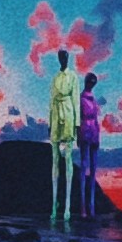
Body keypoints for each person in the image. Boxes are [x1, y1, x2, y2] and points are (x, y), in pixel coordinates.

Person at [46, 47, 80, 226]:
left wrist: (77, 125)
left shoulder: (73, 76)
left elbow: (76, 100)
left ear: (68, 58)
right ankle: (54, 205)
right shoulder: (55, 78)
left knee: (67, 158)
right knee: (54, 159)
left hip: (68, 114)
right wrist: (49, 122)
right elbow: (51, 100)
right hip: (56, 114)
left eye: (65, 57)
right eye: (60, 57)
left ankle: (66, 206)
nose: (63, 59)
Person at [77, 69, 103, 220]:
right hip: (85, 129)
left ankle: (91, 206)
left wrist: (98, 134)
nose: (91, 85)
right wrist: (78, 136)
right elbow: (77, 118)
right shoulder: (80, 98)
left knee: (93, 169)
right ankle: (83, 207)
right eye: (90, 82)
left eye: (93, 83)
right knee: (84, 166)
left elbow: (96, 119)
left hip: (94, 130)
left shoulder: (93, 99)